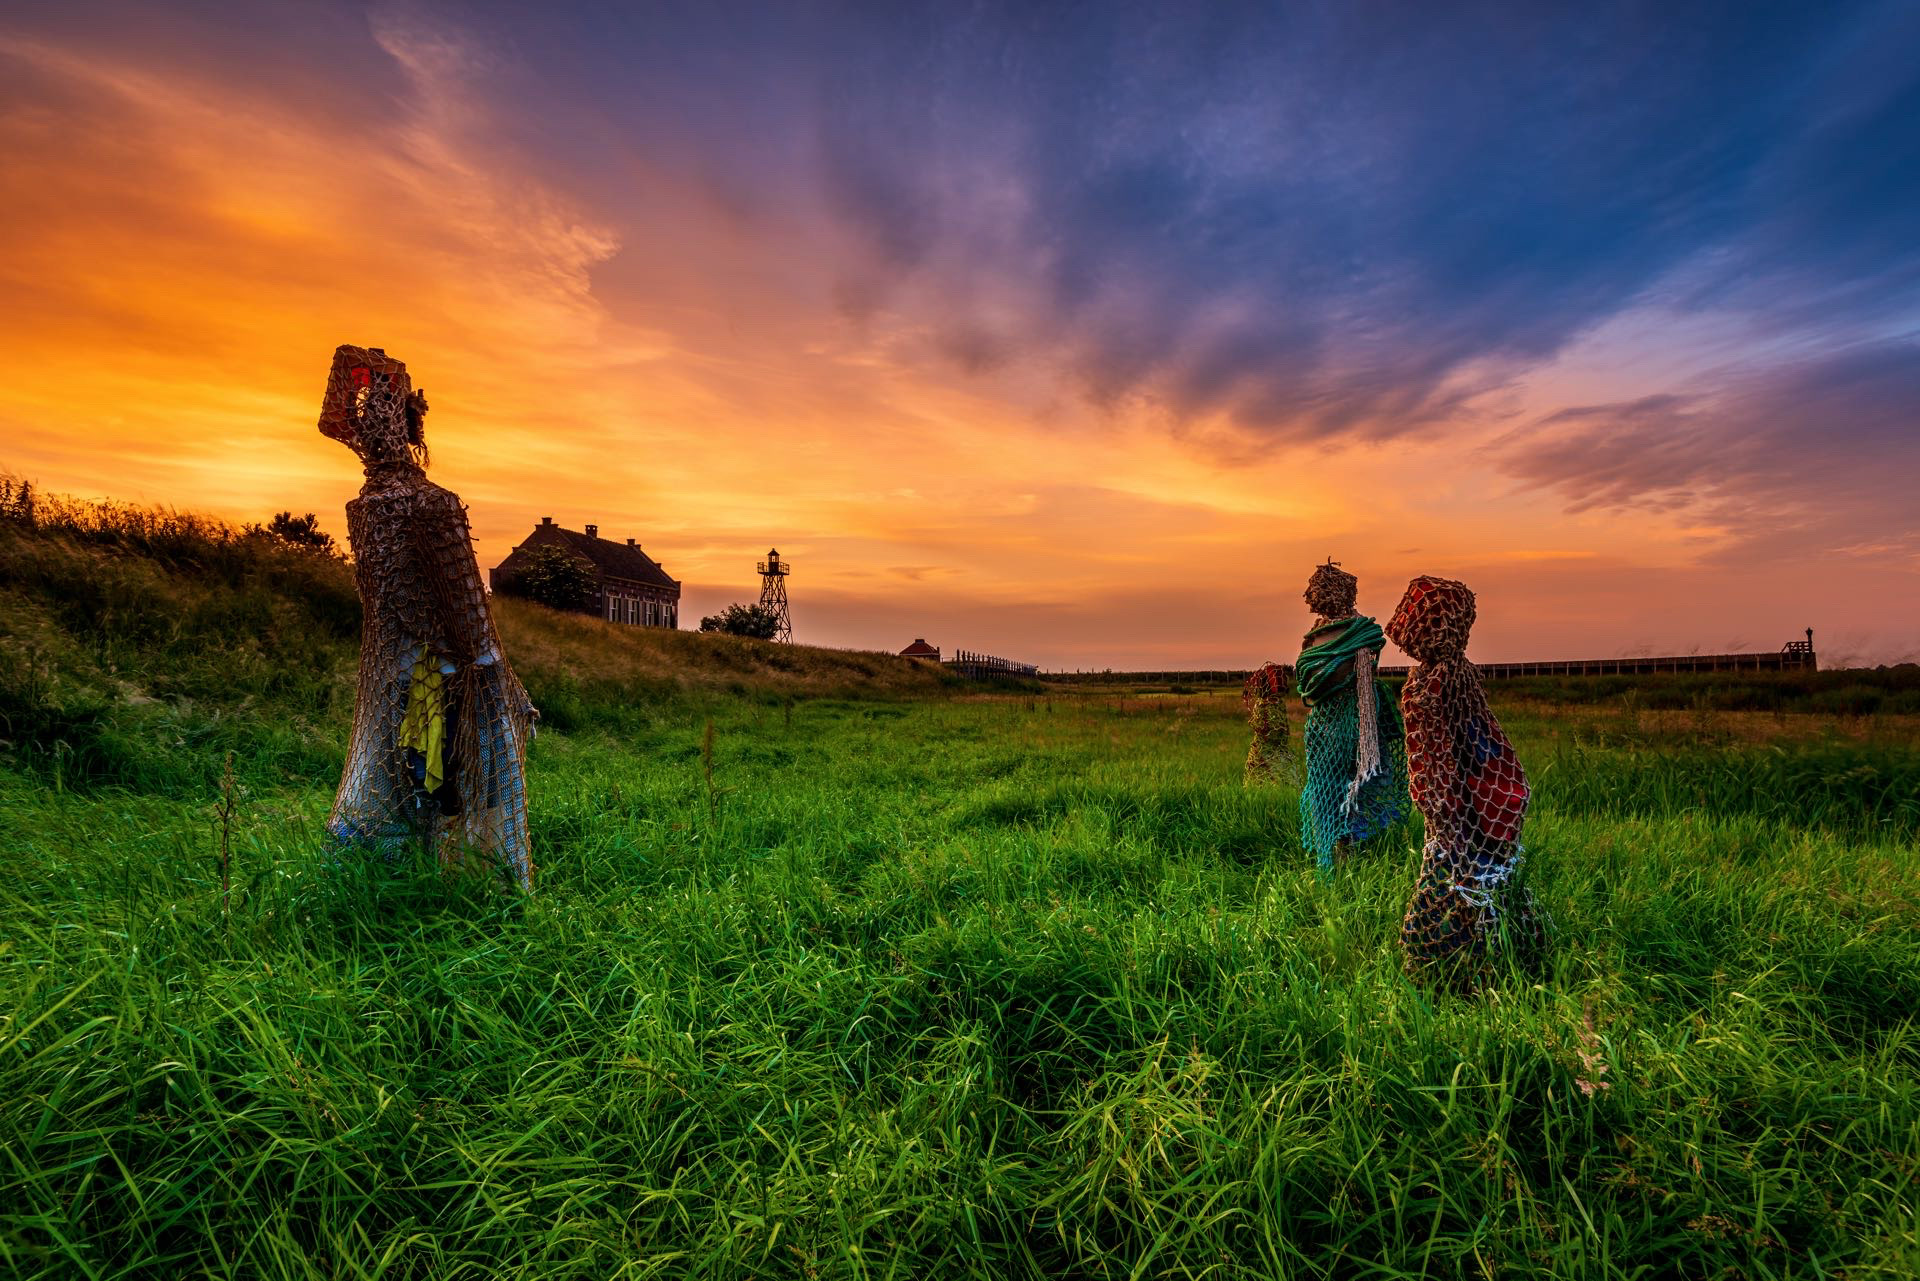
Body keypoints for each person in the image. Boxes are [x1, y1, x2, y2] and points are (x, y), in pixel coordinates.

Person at [319, 344, 537, 890]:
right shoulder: (428, 503)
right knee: (476, 795)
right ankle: (480, 887)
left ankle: (401, 886)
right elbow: (468, 612)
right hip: (449, 674)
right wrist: (501, 685)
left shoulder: (366, 508)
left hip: (396, 674)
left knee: (400, 788)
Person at [1386, 575, 1544, 989]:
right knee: (1482, 877)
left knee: (1451, 882)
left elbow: (1438, 757)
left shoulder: (1431, 684)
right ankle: (1501, 955)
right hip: (1474, 799)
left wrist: (1442, 810)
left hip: (1458, 805)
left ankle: (1449, 969)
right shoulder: (1459, 674)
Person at [1294, 560, 1408, 871]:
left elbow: (1316, 688)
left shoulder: (1348, 634)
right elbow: (1311, 684)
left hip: (1349, 723)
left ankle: (1347, 854)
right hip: (1336, 725)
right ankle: (1340, 853)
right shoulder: (1331, 634)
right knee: (1331, 789)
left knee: (1348, 787)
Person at [1242, 662, 1294, 784]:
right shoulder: (1267, 705)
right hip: (1269, 750)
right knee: (1267, 773)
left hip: (1274, 750)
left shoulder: (1274, 705)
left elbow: (1275, 728)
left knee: (1273, 774)